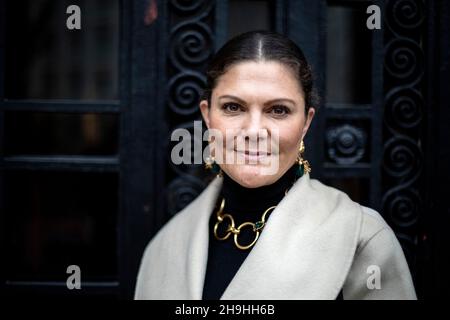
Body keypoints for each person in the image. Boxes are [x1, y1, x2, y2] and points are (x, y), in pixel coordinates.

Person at [134, 30, 417, 300]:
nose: (254, 131)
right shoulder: (165, 246)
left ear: (306, 122)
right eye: (233, 107)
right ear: (208, 116)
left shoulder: (360, 237)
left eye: (278, 110)